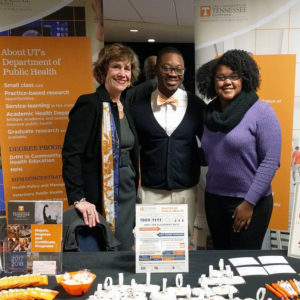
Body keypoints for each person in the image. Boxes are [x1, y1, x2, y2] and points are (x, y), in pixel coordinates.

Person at [196, 49, 281, 250]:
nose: (227, 82)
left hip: (250, 202)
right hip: (214, 199)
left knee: (244, 263)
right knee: (221, 261)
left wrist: (249, 203)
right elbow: (212, 153)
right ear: (212, 82)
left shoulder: (261, 111)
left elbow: (270, 162)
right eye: (221, 78)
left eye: (234, 77)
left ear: (244, 79)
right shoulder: (209, 115)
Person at [62, 43, 140, 250]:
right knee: (103, 250)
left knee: (124, 248)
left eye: (127, 68)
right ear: (103, 70)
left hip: (127, 192)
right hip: (99, 194)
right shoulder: (90, 104)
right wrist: (78, 198)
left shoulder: (126, 106)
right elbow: (72, 154)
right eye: (116, 66)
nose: (122, 73)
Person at [127, 47, 206, 242]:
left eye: (179, 69)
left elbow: (211, 145)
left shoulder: (197, 106)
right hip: (149, 193)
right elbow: (130, 149)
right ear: (155, 70)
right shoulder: (137, 108)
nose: (173, 74)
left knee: (183, 250)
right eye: (167, 68)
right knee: (151, 249)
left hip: (186, 193)